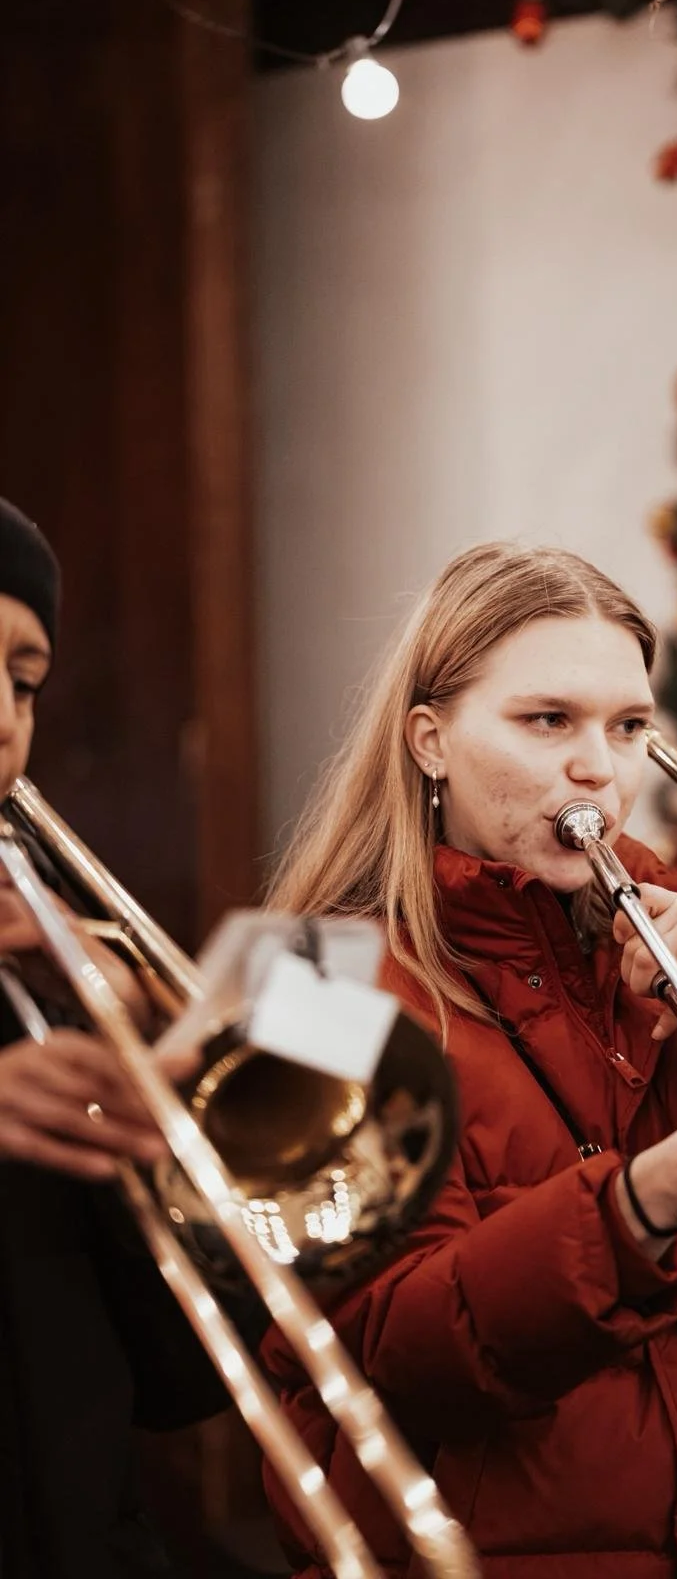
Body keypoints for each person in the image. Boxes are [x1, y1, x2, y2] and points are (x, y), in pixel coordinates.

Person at [261, 543, 677, 1579]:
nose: (599, 768)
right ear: (430, 742)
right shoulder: (305, 992)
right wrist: (633, 1209)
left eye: (629, 727)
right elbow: (399, 1353)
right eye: (548, 721)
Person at [0, 496, 231, 1577]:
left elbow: (177, 1375)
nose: (4, 714)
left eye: (26, 681)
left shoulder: (38, 955)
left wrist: (152, 1059)